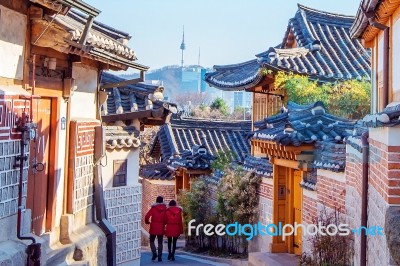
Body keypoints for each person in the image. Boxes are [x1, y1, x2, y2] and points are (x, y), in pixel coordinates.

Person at [145, 196, 167, 261]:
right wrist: (164, 223)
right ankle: (160, 256)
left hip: (153, 227)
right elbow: (166, 218)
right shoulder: (165, 209)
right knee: (160, 242)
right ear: (162, 201)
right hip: (161, 227)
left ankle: (154, 252)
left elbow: (146, 216)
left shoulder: (153, 208)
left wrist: (147, 222)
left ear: (156, 201)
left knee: (151, 241)